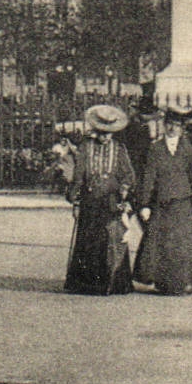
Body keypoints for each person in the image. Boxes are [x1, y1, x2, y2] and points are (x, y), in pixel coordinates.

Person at [135, 109, 192, 295]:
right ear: (164, 125)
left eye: (177, 125)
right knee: (161, 242)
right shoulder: (155, 148)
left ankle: (182, 282)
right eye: (169, 124)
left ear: (182, 128)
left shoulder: (187, 147)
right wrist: (145, 204)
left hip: (183, 202)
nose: (172, 128)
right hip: (162, 202)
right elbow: (148, 177)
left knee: (183, 243)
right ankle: (162, 281)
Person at [64, 104, 137, 295]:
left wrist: (124, 190)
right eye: (102, 132)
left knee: (112, 240)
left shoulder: (120, 149)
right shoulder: (86, 149)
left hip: (111, 202)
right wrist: (75, 199)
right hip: (91, 202)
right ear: (96, 131)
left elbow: (129, 175)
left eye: (109, 133)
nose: (105, 137)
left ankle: (113, 282)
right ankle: (87, 283)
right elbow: (78, 176)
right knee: (90, 241)